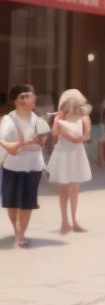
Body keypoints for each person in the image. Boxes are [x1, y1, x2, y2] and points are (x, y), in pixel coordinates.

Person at [1, 84, 50, 248]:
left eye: (29, 96)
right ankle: (16, 229)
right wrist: (15, 145)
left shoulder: (40, 121)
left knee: (27, 203)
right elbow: (4, 142)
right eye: (22, 97)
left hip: (33, 167)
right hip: (12, 167)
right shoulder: (8, 120)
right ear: (15, 101)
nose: (26, 100)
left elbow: (40, 143)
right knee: (13, 202)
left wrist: (20, 144)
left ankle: (21, 233)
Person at [47, 89, 92, 235]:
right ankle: (64, 222)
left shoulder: (83, 117)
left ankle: (74, 220)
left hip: (76, 153)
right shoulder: (59, 118)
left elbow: (86, 136)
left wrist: (75, 138)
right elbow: (54, 134)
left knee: (74, 188)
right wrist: (58, 121)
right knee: (63, 189)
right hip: (63, 154)